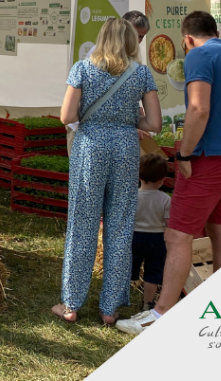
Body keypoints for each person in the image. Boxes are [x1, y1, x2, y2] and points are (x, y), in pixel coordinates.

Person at [117, 11, 221, 335]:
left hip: (209, 160)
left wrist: (185, 153)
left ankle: (161, 313)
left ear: (187, 38)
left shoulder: (199, 55)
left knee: (177, 236)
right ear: (215, 31)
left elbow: (198, 108)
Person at [54, 17, 162, 325]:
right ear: (130, 41)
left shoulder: (82, 68)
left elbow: (66, 116)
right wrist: (128, 119)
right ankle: (110, 309)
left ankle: (71, 304)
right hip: (126, 148)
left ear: (102, 38)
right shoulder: (141, 73)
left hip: (89, 146)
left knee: (83, 223)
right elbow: (154, 123)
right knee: (120, 225)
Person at [130, 154, 171, 313]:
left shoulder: (133, 196)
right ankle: (148, 302)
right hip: (157, 239)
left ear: (138, 176)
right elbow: (168, 224)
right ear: (162, 179)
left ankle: (119, 297)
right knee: (153, 271)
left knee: (128, 268)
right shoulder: (165, 199)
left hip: (134, 237)